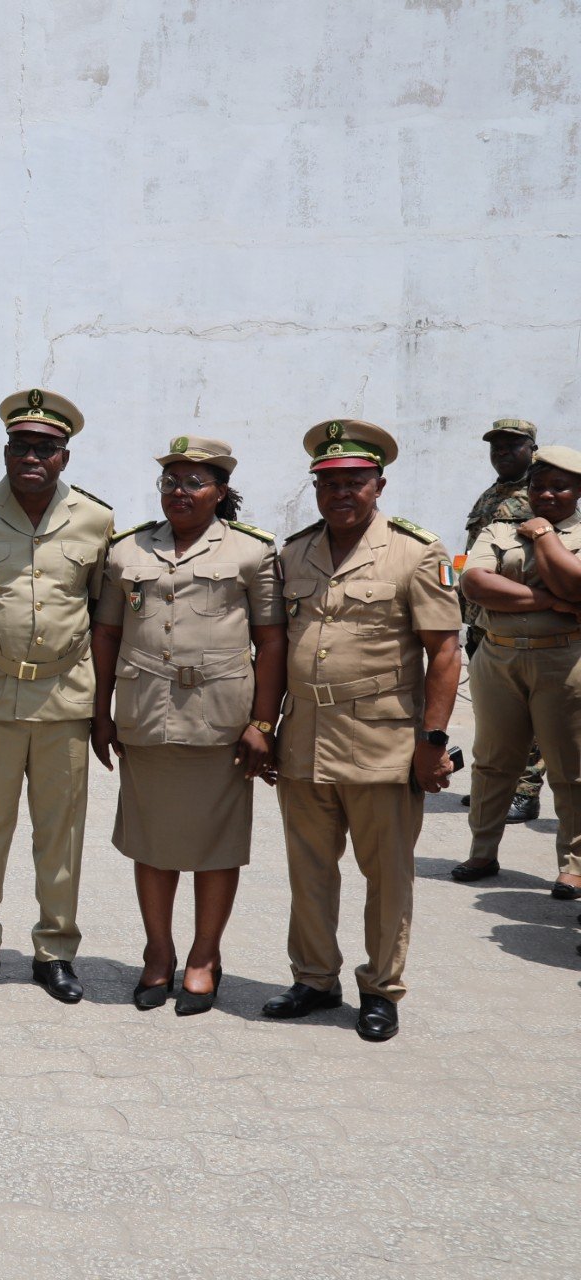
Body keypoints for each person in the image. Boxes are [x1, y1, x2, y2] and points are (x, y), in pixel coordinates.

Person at [264, 419, 460, 1043]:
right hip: (304, 735)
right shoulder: (294, 553)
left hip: (382, 740)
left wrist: (432, 743)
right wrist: (264, 726)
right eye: (329, 483)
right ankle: (314, 978)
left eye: (354, 481)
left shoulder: (416, 552)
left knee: (388, 875)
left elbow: (444, 652)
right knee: (309, 871)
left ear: (379, 484)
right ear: (316, 488)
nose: (341, 493)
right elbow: (275, 645)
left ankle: (380, 989)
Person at [91, 436, 285, 1015]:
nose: (179, 491)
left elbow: (272, 640)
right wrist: (101, 711)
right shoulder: (127, 551)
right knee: (151, 843)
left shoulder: (252, 551)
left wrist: (263, 721)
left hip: (221, 721)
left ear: (220, 491)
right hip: (145, 715)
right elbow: (107, 632)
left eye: (194, 482)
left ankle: (204, 956)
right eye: (170, 481)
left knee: (215, 846)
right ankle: (158, 952)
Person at [0, 389, 113, 1005]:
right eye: (21, 446)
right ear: (5, 451)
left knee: (60, 832)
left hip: (66, 695)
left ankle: (55, 949)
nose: (32, 458)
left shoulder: (95, 519)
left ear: (65, 456)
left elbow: (102, 615)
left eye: (46, 448)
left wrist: (103, 711)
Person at [457, 444, 581, 900]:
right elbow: (475, 583)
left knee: (570, 769)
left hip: (563, 661)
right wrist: (551, 601)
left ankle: (573, 867)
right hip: (498, 657)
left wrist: (545, 536)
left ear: (578, 490)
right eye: (538, 486)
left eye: (559, 487)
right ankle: (482, 852)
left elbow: (576, 585)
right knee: (493, 762)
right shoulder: (499, 529)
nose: (545, 494)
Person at [452, 416, 545, 854]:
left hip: (520, 618)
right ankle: (499, 788)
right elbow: (474, 553)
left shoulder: (543, 493)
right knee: (494, 712)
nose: (502, 452)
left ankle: (525, 791)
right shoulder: (492, 494)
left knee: (528, 710)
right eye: (496, 446)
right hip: (482, 618)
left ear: (531, 448)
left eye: (512, 445)